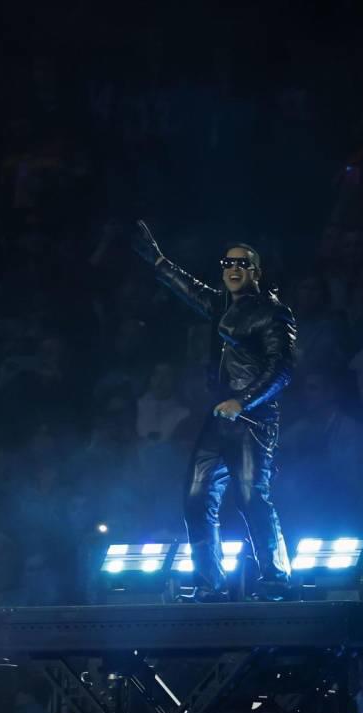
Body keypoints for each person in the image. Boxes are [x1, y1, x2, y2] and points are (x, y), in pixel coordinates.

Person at [132, 221, 296, 601]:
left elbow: (282, 369)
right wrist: (158, 261)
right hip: (220, 417)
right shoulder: (221, 303)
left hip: (253, 419)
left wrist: (244, 400)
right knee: (197, 496)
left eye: (242, 263)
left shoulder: (273, 313)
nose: (233, 268)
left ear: (256, 272)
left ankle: (276, 579)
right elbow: (189, 289)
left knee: (251, 496)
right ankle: (209, 584)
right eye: (227, 263)